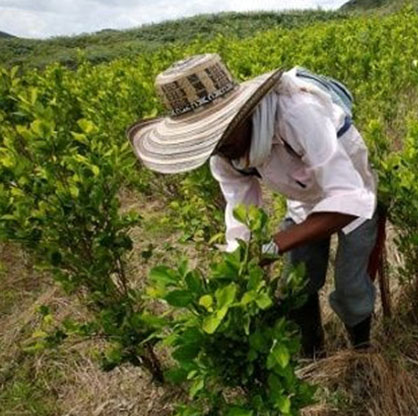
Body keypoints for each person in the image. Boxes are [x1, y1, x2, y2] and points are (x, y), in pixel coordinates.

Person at [127, 54, 378, 357]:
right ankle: (313, 357)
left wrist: (271, 249)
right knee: (295, 288)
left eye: (221, 131)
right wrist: (239, 263)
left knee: (351, 287)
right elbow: (240, 216)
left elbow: (348, 201)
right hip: (303, 200)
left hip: (354, 190)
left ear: (243, 112)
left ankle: (362, 352)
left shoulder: (297, 114)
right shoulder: (223, 155)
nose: (218, 146)